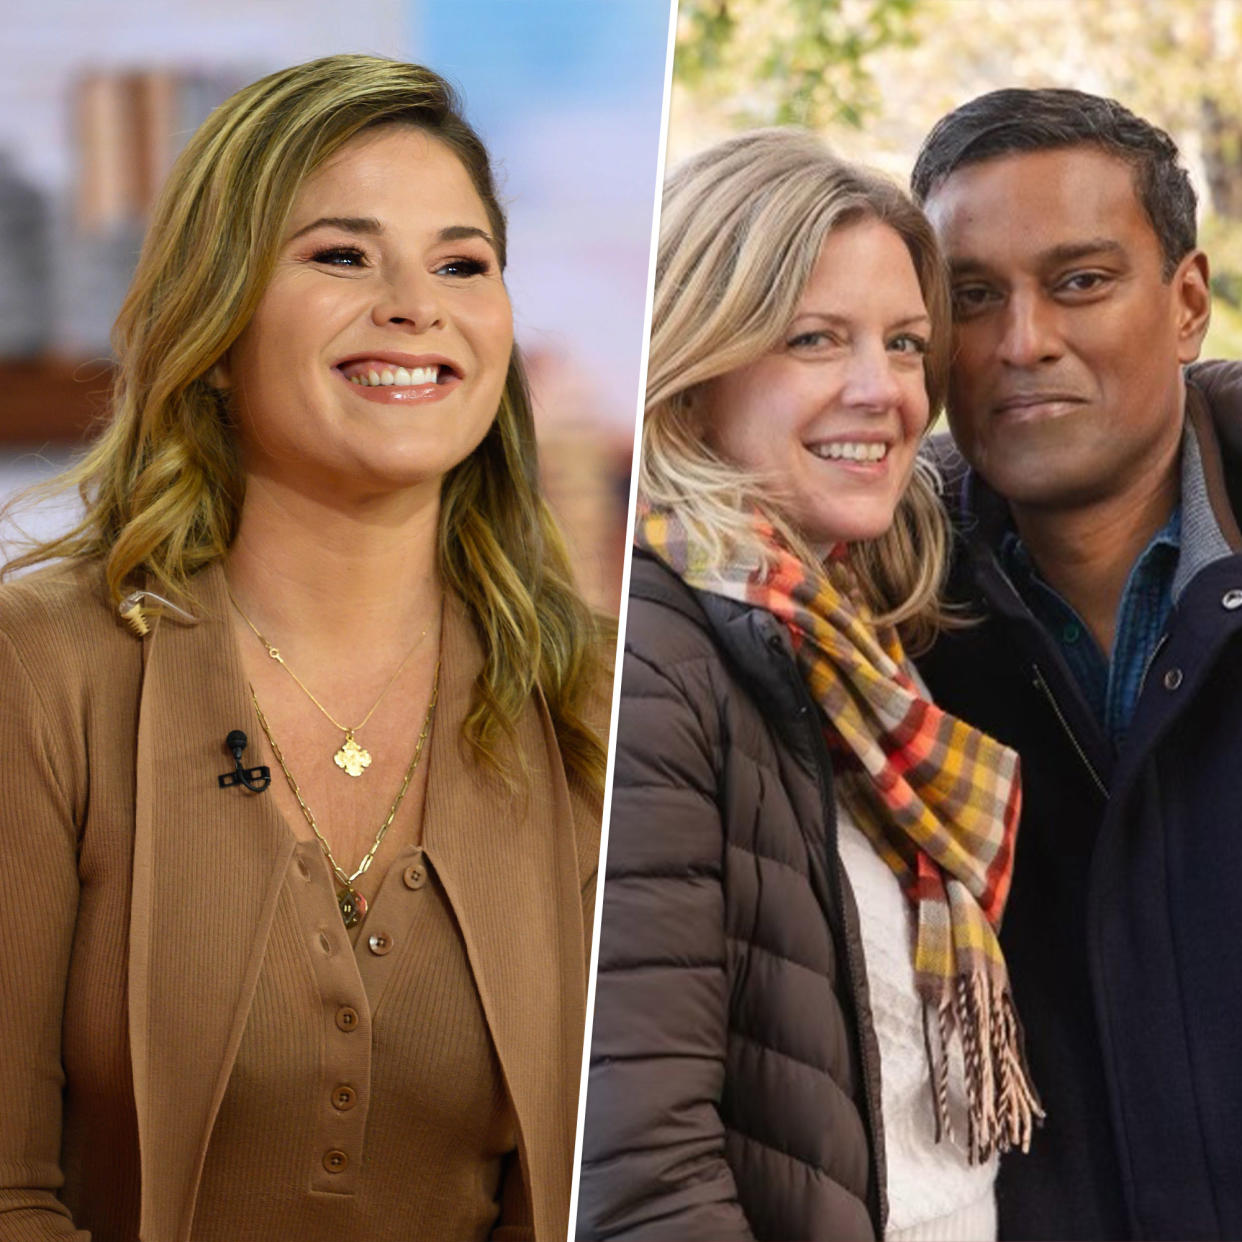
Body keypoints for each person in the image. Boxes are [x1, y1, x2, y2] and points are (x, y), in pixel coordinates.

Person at [0, 54, 609, 1242]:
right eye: (341, 255)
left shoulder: (590, 696)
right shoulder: (41, 667)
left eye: (462, 263)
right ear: (215, 324)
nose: (415, 305)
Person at [577, 128, 1038, 1242]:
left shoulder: (858, 651)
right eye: (815, 339)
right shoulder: (652, 659)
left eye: (906, 343)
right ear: (694, 367)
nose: (882, 391)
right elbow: (639, 1172)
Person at [911, 87, 1242, 1240]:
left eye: (1081, 282)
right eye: (971, 296)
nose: (1022, 341)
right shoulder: (877, 634)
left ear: (1188, 302)